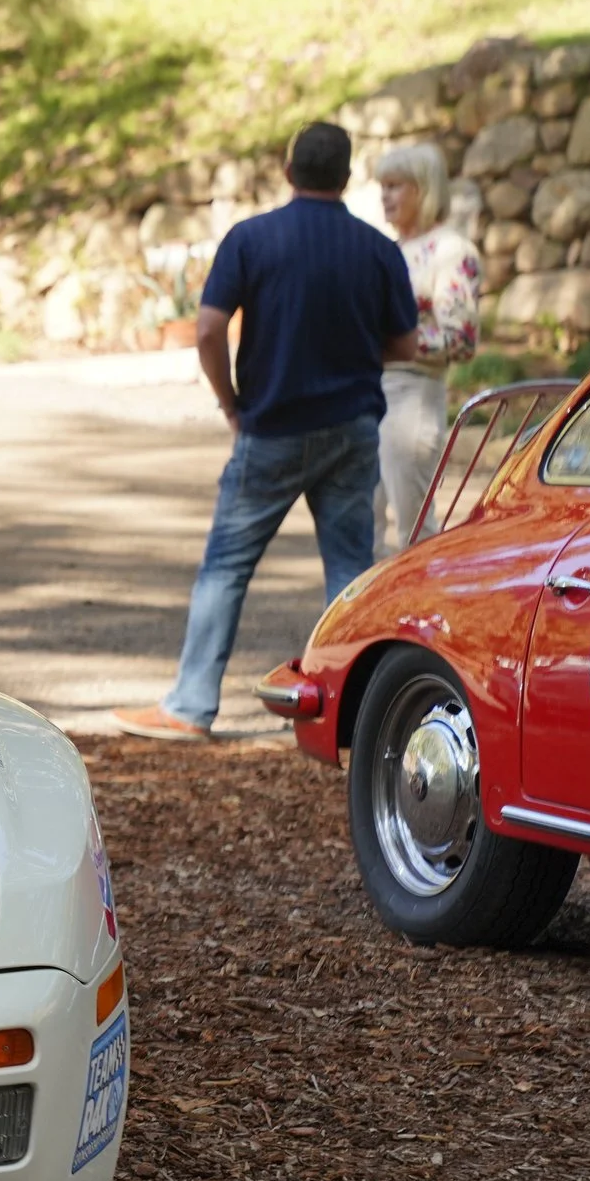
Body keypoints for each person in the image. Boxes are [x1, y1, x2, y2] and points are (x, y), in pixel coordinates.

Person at [114, 122, 419, 741]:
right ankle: (353, 716)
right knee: (349, 572)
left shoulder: (252, 239)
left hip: (273, 427)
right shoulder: (378, 250)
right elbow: (406, 343)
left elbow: (206, 330)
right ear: (347, 175)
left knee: (226, 567)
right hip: (354, 428)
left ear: (288, 171)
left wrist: (230, 403)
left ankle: (191, 706)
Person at [373, 142, 481, 550]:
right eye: (382, 186)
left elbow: (461, 340)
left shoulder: (451, 251)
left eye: (395, 185)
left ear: (424, 189)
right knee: (362, 523)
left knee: (414, 530)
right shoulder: (387, 250)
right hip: (370, 395)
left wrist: (388, 344)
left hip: (413, 398)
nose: (385, 196)